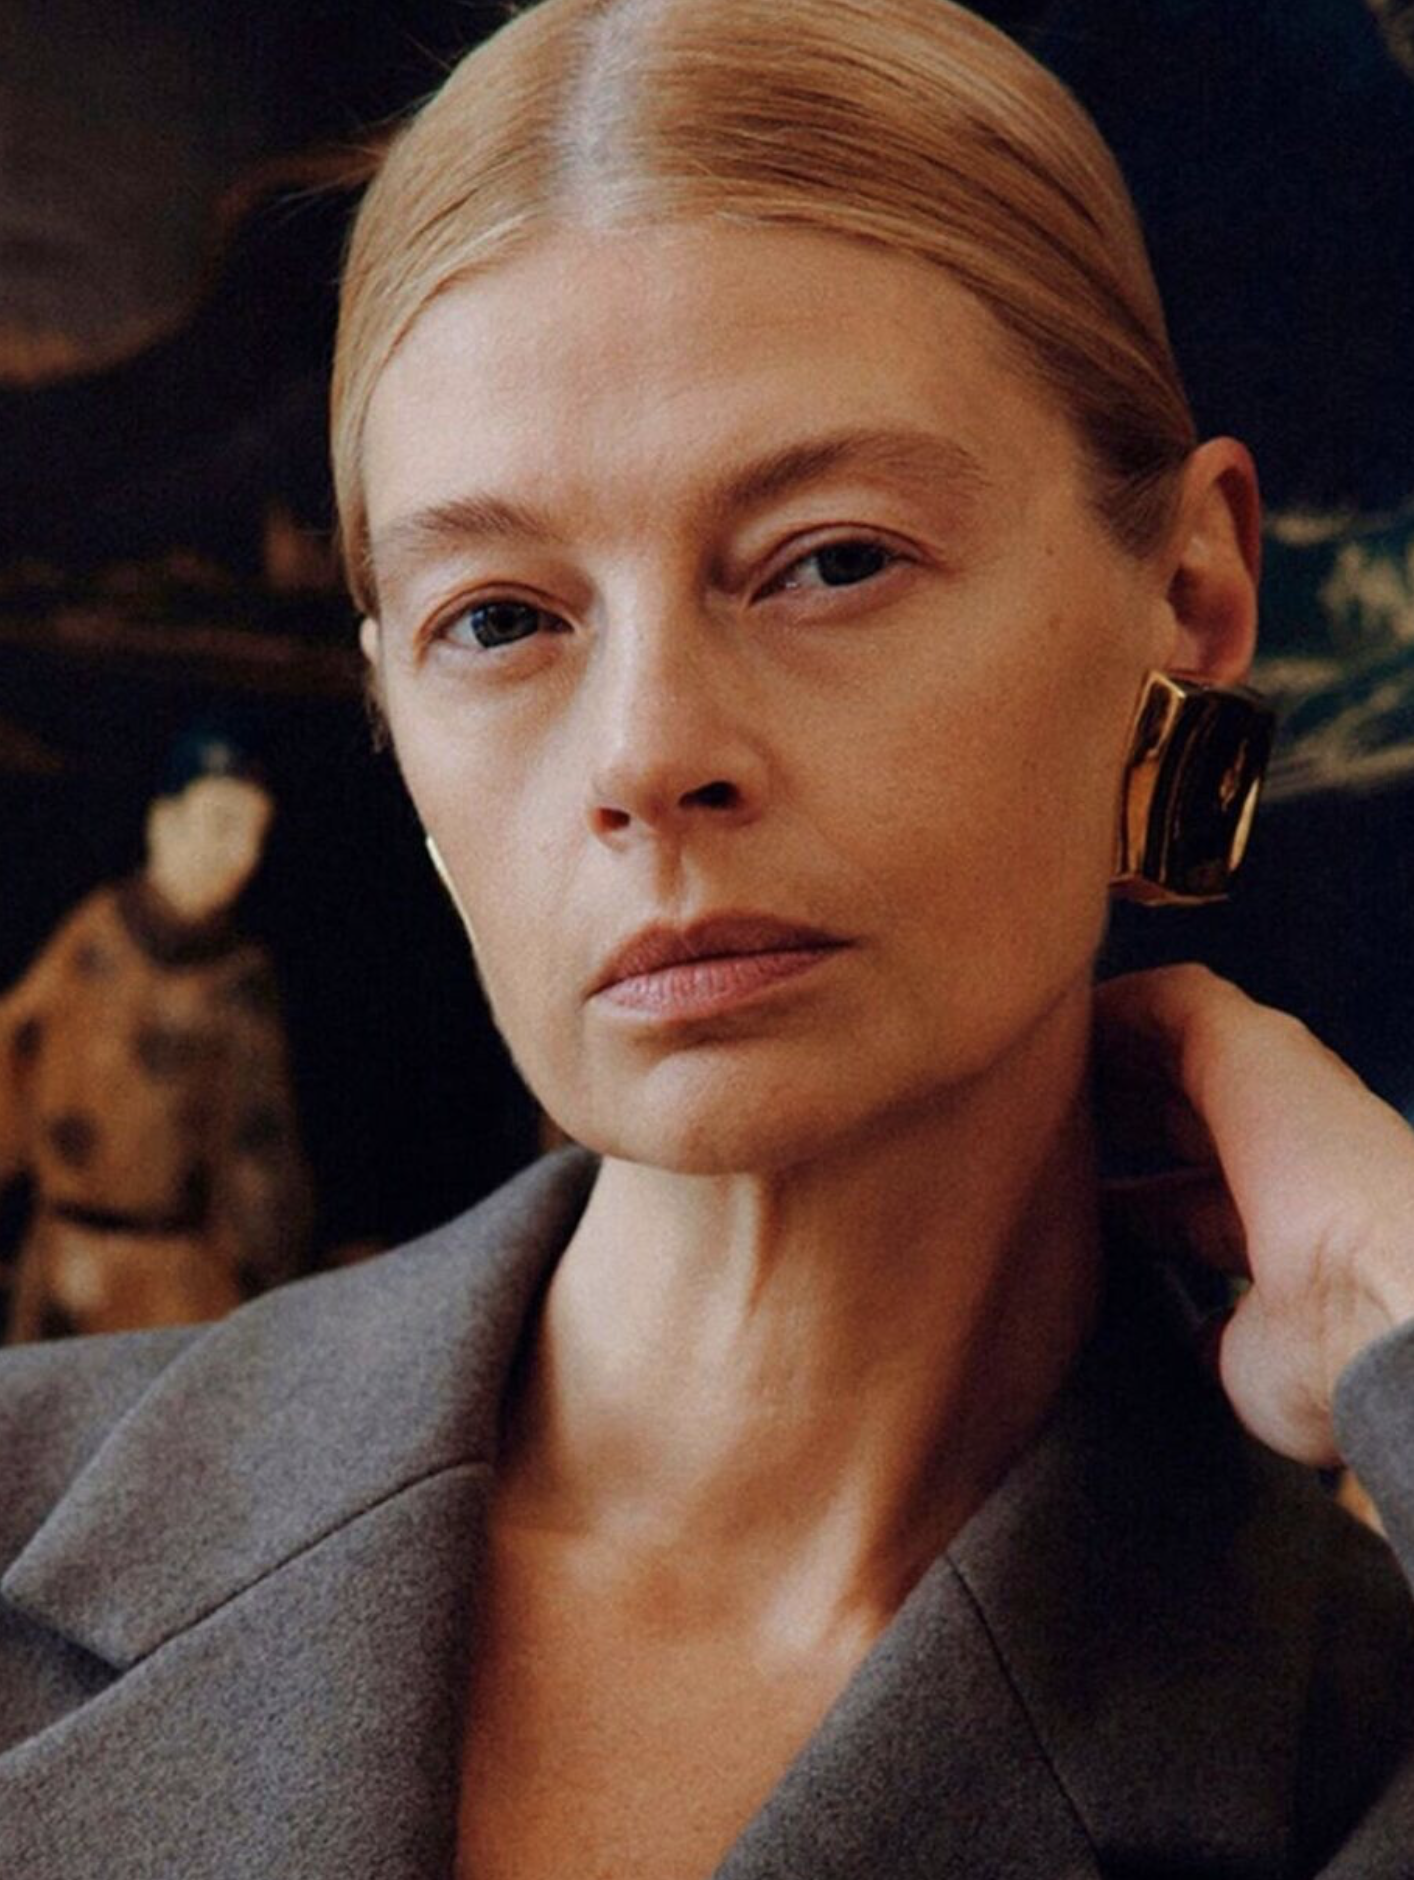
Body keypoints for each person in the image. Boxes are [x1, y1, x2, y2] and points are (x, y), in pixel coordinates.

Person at [1, 1, 1413, 1873]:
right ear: (392, 707)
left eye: (830, 560)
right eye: (499, 620)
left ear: (1187, 592)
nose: (647, 756)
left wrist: (1398, 1287)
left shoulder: (1347, 1739)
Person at [0, 730, 311, 1342]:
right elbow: (11, 1066)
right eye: (222, 825)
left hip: (185, 1290)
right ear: (164, 824)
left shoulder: (241, 980)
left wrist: (278, 1282)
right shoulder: (89, 947)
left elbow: (260, 1152)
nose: (241, 856)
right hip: (70, 1277)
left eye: (255, 834)